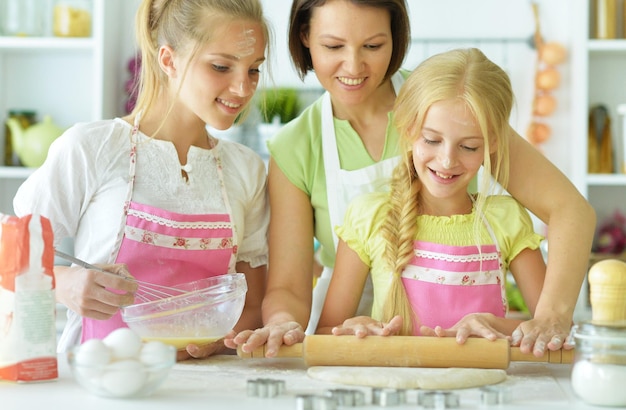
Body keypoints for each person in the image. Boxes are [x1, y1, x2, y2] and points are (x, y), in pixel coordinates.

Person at [225, 0, 595, 358]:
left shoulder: (448, 104)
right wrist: (282, 323)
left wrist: (549, 318)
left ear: (395, 36)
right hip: (356, 341)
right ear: (305, 36)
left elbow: (570, 211)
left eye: (373, 45)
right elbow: (289, 286)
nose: (353, 65)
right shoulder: (295, 146)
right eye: (333, 45)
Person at [13, 0, 271, 360]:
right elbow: (9, 252)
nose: (243, 88)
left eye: (254, 69)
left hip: (210, 389)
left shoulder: (246, 169)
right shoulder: (94, 148)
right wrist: (63, 283)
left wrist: (221, 338)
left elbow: (253, 308)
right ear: (169, 60)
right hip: (102, 382)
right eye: (221, 66)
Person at [317, 48, 547, 342]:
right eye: (432, 140)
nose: (447, 160)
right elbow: (325, 333)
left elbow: (549, 329)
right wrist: (353, 331)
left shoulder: (506, 218)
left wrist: (496, 326)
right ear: (409, 129)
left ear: (492, 143)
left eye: (469, 146)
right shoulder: (370, 215)